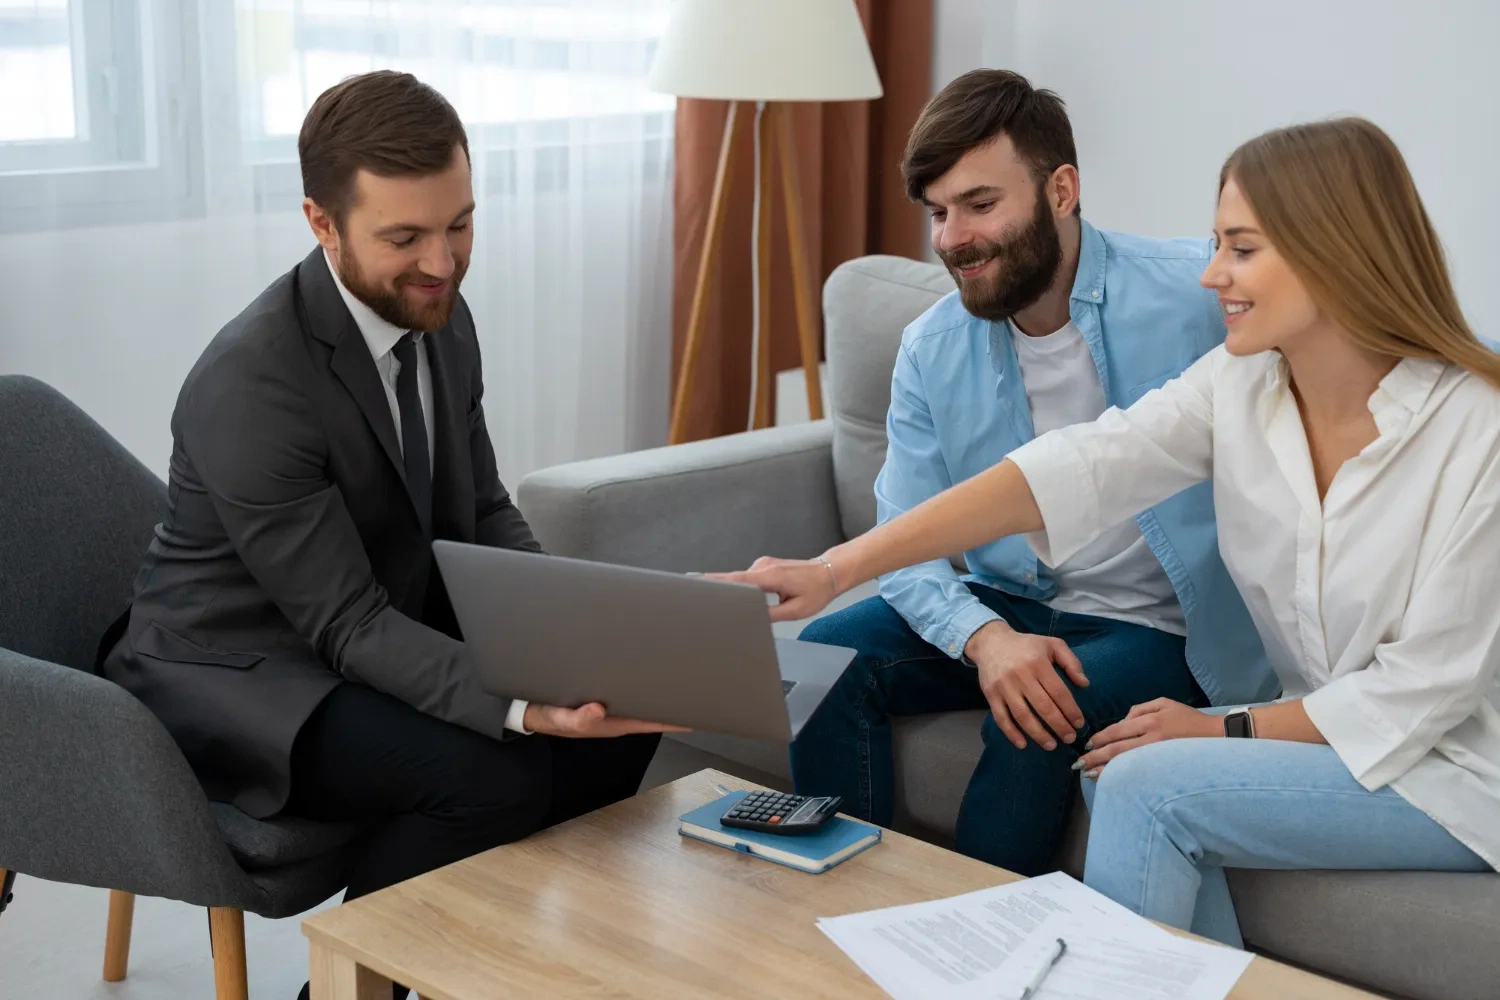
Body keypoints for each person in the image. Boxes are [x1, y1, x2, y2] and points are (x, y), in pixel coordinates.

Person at [721, 116, 1500, 945]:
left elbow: (1424, 691)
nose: (1211, 275)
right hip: (1327, 732)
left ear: (1335, 249)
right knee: (1121, 765)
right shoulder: (1241, 386)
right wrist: (837, 571)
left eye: (1241, 249)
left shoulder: (1475, 430)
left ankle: (990, 957)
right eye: (1216, 244)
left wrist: (1221, 727)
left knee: (1141, 784)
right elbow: (1074, 468)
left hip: (1457, 769)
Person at [97, 71, 681, 999]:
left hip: (357, 626)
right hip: (240, 673)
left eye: (461, 224)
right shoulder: (253, 382)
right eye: (405, 237)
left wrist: (571, 629)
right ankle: (344, 991)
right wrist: (525, 706)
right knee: (493, 774)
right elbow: (348, 626)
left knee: (613, 731)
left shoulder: (440, 320)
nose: (443, 262)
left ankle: (474, 949)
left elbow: (480, 509)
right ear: (321, 223)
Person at [788, 68, 1274, 876]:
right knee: (822, 655)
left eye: (981, 205)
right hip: (1013, 603)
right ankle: (842, 900)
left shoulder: (1197, 295)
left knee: (1039, 713)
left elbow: (1360, 328)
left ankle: (978, 942)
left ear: (1061, 189)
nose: (952, 238)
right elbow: (903, 539)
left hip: (1163, 626)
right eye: (938, 213)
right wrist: (985, 638)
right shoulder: (932, 347)